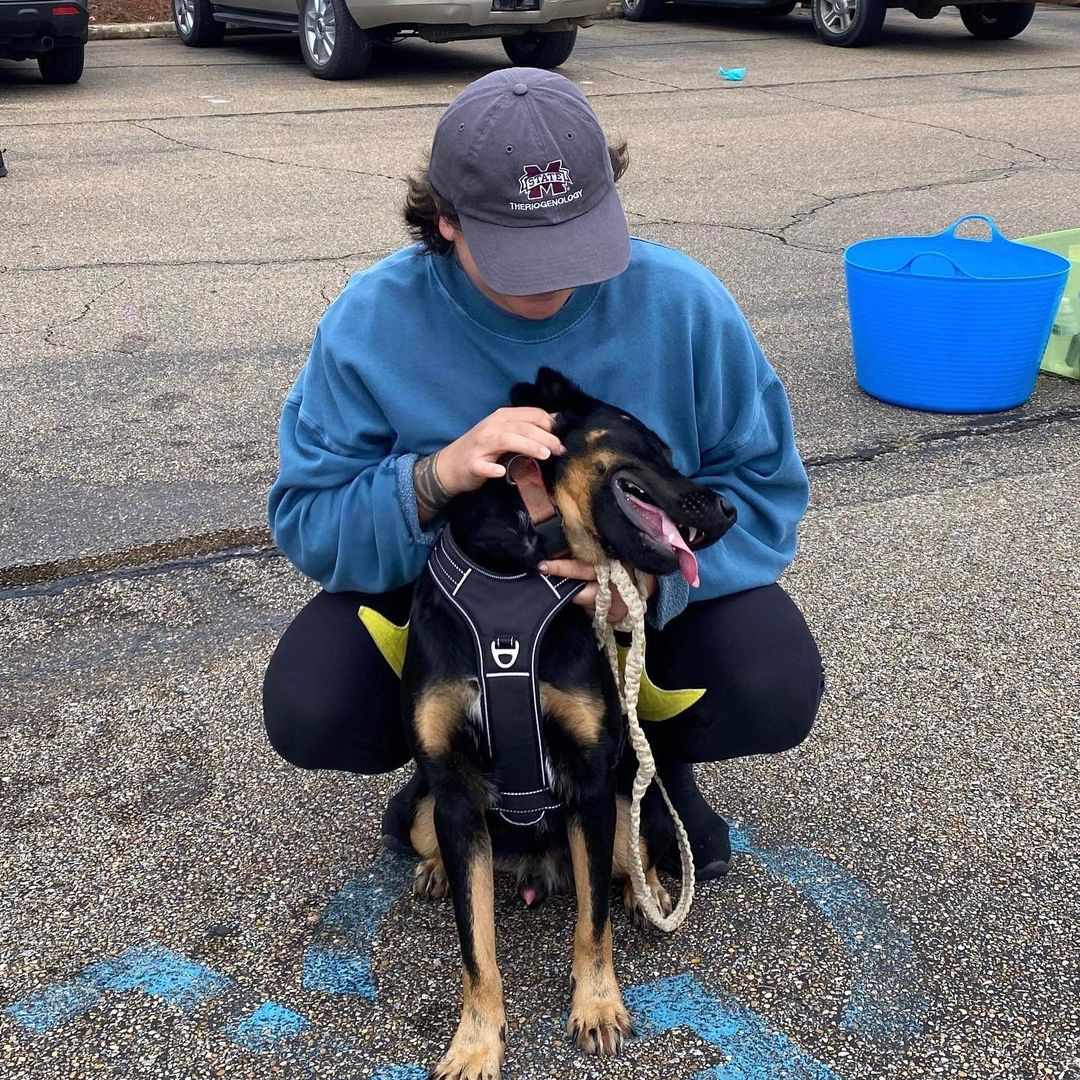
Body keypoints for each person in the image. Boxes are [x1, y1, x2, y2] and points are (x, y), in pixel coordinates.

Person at [262, 67, 824, 879]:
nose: (554, 279)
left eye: (575, 242)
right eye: (519, 254)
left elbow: (765, 490)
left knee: (772, 675)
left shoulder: (685, 303)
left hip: (619, 626)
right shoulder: (370, 320)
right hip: (452, 606)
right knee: (313, 705)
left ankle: (642, 765)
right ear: (446, 221)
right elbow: (308, 518)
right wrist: (433, 477)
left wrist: (650, 583)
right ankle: (448, 770)